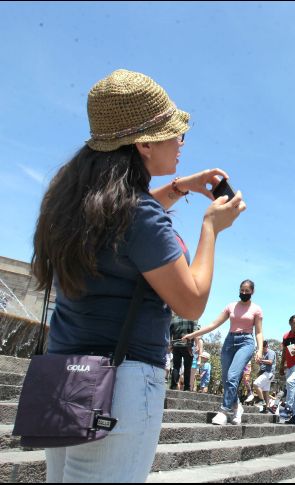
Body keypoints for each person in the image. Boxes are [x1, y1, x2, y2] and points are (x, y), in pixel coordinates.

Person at [33, 69, 245, 482]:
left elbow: (127, 217)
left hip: (64, 374)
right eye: (175, 133)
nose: (181, 143)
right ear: (145, 144)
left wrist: (179, 187)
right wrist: (210, 228)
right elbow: (191, 300)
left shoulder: (72, 202)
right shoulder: (141, 215)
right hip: (120, 384)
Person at [183, 279, 264, 426]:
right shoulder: (231, 306)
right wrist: (193, 334)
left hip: (246, 342)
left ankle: (223, 411)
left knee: (233, 376)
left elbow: (258, 332)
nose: (244, 293)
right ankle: (237, 407)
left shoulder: (256, 309)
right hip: (229, 341)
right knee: (226, 378)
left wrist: (259, 350)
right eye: (242, 290)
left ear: (252, 291)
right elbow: (214, 324)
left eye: (247, 290)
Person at [169, 313, 201, 392]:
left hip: (176, 345)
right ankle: (187, 388)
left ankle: (173, 386)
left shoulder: (174, 318)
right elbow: (195, 331)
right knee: (187, 367)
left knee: (176, 366)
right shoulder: (192, 316)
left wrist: (170, 344)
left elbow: (169, 332)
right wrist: (197, 344)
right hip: (188, 346)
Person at [253, 343, 277, 413]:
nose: (261, 350)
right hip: (265, 373)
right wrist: (258, 361)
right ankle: (266, 408)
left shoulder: (271, 352)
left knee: (256, 384)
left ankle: (261, 400)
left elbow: (270, 362)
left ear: (266, 346)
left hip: (269, 373)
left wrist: (261, 360)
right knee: (265, 391)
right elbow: (262, 364)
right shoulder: (263, 354)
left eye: (261, 348)